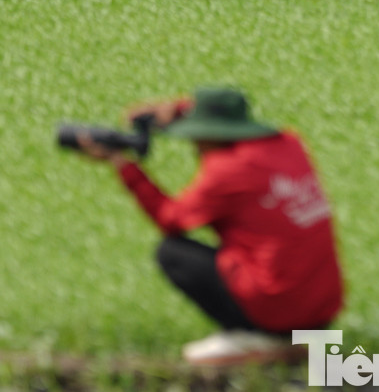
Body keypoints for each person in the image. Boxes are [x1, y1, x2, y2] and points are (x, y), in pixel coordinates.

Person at [74, 87, 344, 366]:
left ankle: (262, 338)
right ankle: (301, 340)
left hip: (280, 309)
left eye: (197, 137)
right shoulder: (288, 143)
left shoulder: (229, 170)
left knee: (173, 253)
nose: (195, 145)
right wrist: (179, 109)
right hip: (322, 309)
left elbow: (170, 219)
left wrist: (121, 164)